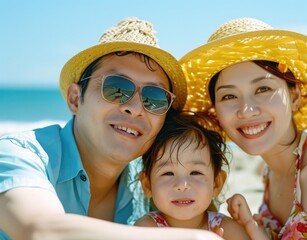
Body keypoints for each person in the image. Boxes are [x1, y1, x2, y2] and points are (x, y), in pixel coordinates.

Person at [0, 17, 224, 240]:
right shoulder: (19, 155)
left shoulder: (153, 177)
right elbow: (38, 230)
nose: (136, 109)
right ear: (75, 99)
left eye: (154, 98)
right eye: (117, 88)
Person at [179, 17, 307, 239]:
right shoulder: (268, 175)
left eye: (263, 89)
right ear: (216, 111)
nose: (246, 110)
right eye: (228, 95)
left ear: (294, 96)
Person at [135, 114, 267, 239]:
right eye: (168, 173)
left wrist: (250, 225)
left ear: (217, 183)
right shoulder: (147, 229)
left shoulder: (227, 229)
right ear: (147, 185)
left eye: (195, 173)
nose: (182, 185)